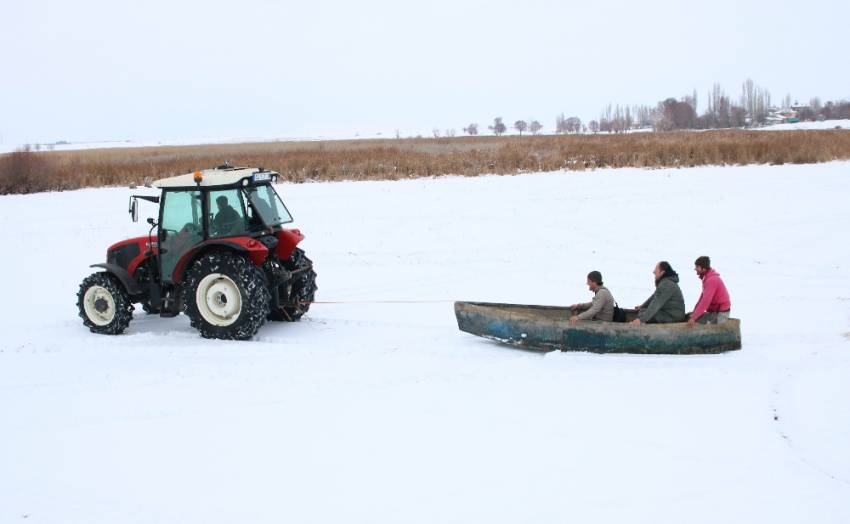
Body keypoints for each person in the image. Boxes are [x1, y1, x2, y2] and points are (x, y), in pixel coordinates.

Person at [687, 255, 731, 326]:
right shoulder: (707, 278)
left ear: (704, 269)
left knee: (697, 321)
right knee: (690, 316)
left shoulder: (711, 280)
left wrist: (694, 318)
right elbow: (702, 298)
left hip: (721, 313)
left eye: (697, 267)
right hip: (714, 312)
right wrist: (694, 313)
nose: (695, 269)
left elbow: (705, 301)